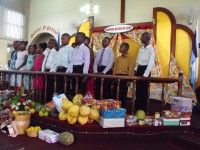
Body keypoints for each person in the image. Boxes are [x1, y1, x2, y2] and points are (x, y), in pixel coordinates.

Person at [134, 32, 155, 113]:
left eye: (142, 37)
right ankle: (137, 110)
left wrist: (145, 75)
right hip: (139, 69)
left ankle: (143, 111)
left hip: (145, 70)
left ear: (147, 38)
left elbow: (150, 63)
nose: (141, 38)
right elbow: (138, 61)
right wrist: (135, 70)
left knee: (144, 92)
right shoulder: (141, 48)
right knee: (138, 91)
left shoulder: (151, 49)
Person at [113, 43, 134, 108]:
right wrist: (113, 77)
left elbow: (131, 69)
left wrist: (129, 80)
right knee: (115, 93)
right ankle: (114, 107)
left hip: (125, 77)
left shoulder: (130, 58)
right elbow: (115, 68)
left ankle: (122, 108)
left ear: (126, 49)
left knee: (123, 94)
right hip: (117, 77)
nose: (120, 49)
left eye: (121, 47)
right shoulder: (118, 58)